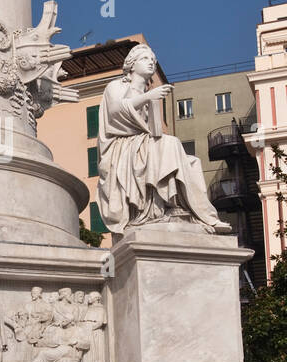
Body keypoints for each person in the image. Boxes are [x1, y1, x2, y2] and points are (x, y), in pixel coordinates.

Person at [97, 44, 229, 236]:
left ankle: (197, 214)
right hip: (121, 146)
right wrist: (149, 97)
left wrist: (151, 102)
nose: (150, 62)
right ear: (132, 65)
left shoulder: (150, 95)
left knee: (192, 162)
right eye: (145, 59)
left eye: (153, 60)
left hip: (142, 144)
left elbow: (154, 132)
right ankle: (167, 205)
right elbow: (116, 112)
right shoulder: (116, 86)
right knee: (171, 143)